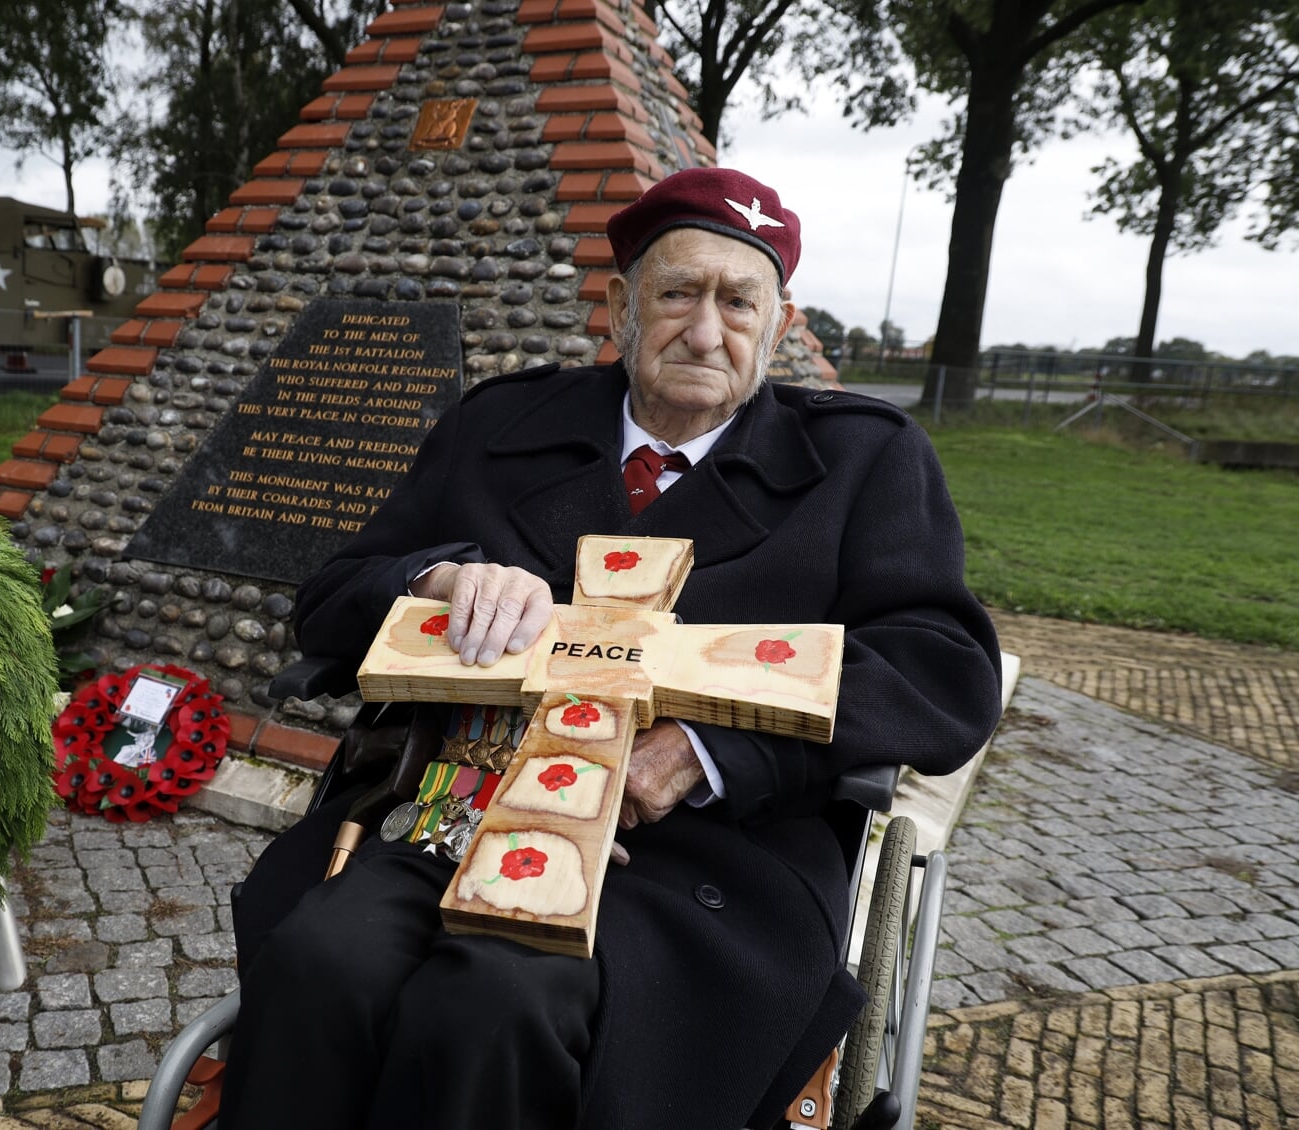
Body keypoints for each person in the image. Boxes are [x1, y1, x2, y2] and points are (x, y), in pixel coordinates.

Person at [219, 167, 1004, 1130]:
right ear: (620, 306)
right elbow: (331, 600)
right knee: (321, 962)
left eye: (738, 301)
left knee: (499, 1000)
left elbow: (942, 668)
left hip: (704, 854)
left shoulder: (863, 461)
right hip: (458, 802)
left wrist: (711, 755)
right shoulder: (500, 424)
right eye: (678, 294)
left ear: (779, 319)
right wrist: (437, 579)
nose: (707, 332)